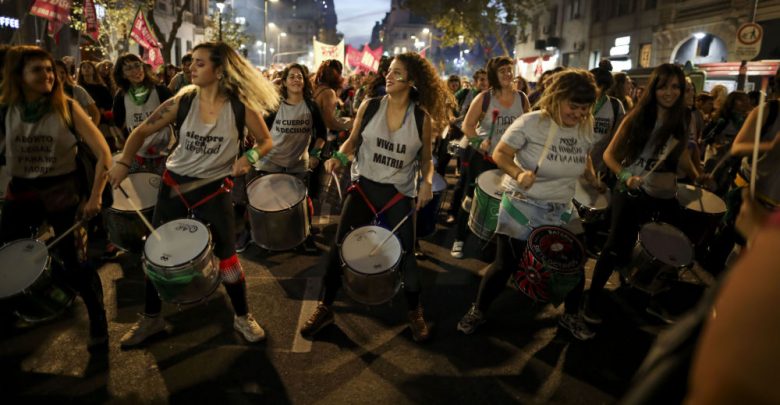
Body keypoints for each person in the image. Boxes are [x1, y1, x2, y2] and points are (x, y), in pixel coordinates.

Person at [109, 41, 279, 348]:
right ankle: (151, 318)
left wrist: (248, 158)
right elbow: (141, 131)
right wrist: (123, 162)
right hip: (174, 186)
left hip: (214, 190)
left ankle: (242, 316)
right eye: (192, 62)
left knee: (227, 258)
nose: (191, 67)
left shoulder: (240, 106)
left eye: (200, 63)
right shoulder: (183, 100)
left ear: (220, 70)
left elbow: (266, 141)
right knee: (155, 254)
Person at [299, 52, 452, 342]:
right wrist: (339, 158)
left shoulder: (421, 119)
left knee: (406, 253)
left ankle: (414, 311)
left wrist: (427, 182)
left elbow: (426, 161)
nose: (388, 76)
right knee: (340, 246)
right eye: (389, 71)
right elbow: (352, 141)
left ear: (412, 81)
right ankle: (325, 306)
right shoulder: (370, 106)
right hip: (365, 188)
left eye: (396, 73)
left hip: (398, 193)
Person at [455, 69, 600, 340]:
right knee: (505, 265)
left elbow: (585, 154)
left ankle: (570, 315)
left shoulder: (585, 125)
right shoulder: (531, 122)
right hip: (523, 204)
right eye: (574, 106)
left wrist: (591, 177)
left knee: (575, 265)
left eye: (585, 108)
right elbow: (501, 153)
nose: (579, 114)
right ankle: (479, 309)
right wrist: (518, 173)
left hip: (561, 206)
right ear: (557, 97)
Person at [0, 45, 112, 348]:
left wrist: (95, 197)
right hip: (21, 193)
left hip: (63, 194)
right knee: (6, 256)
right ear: (19, 75)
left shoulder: (68, 107)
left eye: (50, 69)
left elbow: (104, 154)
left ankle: (98, 319)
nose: (47, 75)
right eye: (38, 70)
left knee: (75, 263)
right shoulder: (6, 110)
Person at [582, 64, 707, 326]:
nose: (670, 92)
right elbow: (610, 155)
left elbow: (681, 155)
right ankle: (591, 300)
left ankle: (647, 299)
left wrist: (697, 175)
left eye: (676, 87)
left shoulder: (683, 118)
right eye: (663, 87)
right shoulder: (637, 117)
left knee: (664, 251)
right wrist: (626, 176)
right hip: (631, 191)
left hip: (665, 194)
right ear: (653, 89)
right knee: (616, 247)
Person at [234, 63, 326, 253]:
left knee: (301, 203)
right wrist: (252, 155)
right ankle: (249, 233)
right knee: (256, 201)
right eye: (291, 76)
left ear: (305, 81)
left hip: (298, 163)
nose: (296, 80)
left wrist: (316, 154)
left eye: (299, 76)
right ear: (284, 82)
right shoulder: (275, 106)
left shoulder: (311, 106)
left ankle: (305, 235)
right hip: (269, 161)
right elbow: (260, 134)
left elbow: (322, 135)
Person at [450, 56, 530, 259]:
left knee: (504, 201)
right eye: (502, 70)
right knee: (470, 200)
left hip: (509, 161)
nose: (508, 74)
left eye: (509, 70)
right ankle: (459, 239)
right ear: (494, 74)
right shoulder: (484, 98)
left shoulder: (522, 98)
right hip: (482, 159)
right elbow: (468, 126)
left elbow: (528, 127)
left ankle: (495, 242)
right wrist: (479, 144)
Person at [112, 53, 174, 174]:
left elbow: (175, 114)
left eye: (137, 65)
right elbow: (118, 122)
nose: (135, 70)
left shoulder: (160, 90)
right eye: (129, 68)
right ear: (123, 74)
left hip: (164, 153)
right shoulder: (121, 96)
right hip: (137, 154)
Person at [54, 60, 101, 126]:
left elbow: (95, 113)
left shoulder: (76, 90)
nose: (59, 75)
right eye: (55, 72)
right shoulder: (43, 92)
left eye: (62, 72)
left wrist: (89, 130)